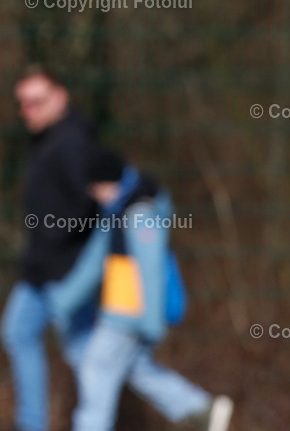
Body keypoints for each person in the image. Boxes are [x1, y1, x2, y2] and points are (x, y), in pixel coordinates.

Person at [52, 147, 233, 431]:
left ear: (106, 183)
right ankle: (200, 410)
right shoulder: (116, 212)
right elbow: (93, 265)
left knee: (95, 370)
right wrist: (62, 301)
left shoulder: (139, 212)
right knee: (136, 369)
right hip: (121, 312)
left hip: (128, 314)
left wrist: (151, 322)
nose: (92, 194)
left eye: (94, 187)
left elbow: (150, 270)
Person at [0, 66, 98, 431]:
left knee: (91, 353)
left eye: (37, 101)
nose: (29, 110)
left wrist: (56, 242)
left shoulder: (71, 142)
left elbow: (89, 205)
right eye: (23, 104)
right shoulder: (48, 140)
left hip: (64, 270)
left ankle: (192, 406)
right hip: (41, 271)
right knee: (19, 333)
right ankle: (32, 424)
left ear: (61, 97)